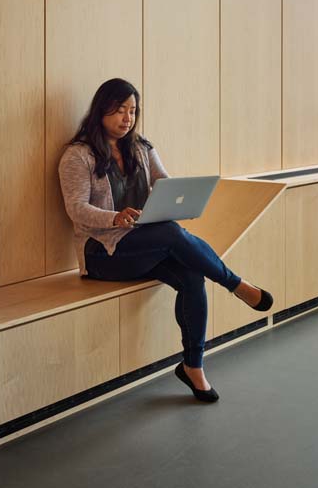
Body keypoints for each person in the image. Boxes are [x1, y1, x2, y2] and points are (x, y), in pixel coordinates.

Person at [59, 78, 273, 403]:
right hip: (103, 253)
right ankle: (235, 284)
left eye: (133, 111)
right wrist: (114, 217)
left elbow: (166, 184)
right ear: (101, 110)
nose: (127, 118)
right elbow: (76, 208)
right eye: (120, 110)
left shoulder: (141, 148)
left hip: (143, 244)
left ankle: (193, 367)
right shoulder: (78, 155)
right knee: (172, 234)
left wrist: (174, 202)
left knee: (192, 275)